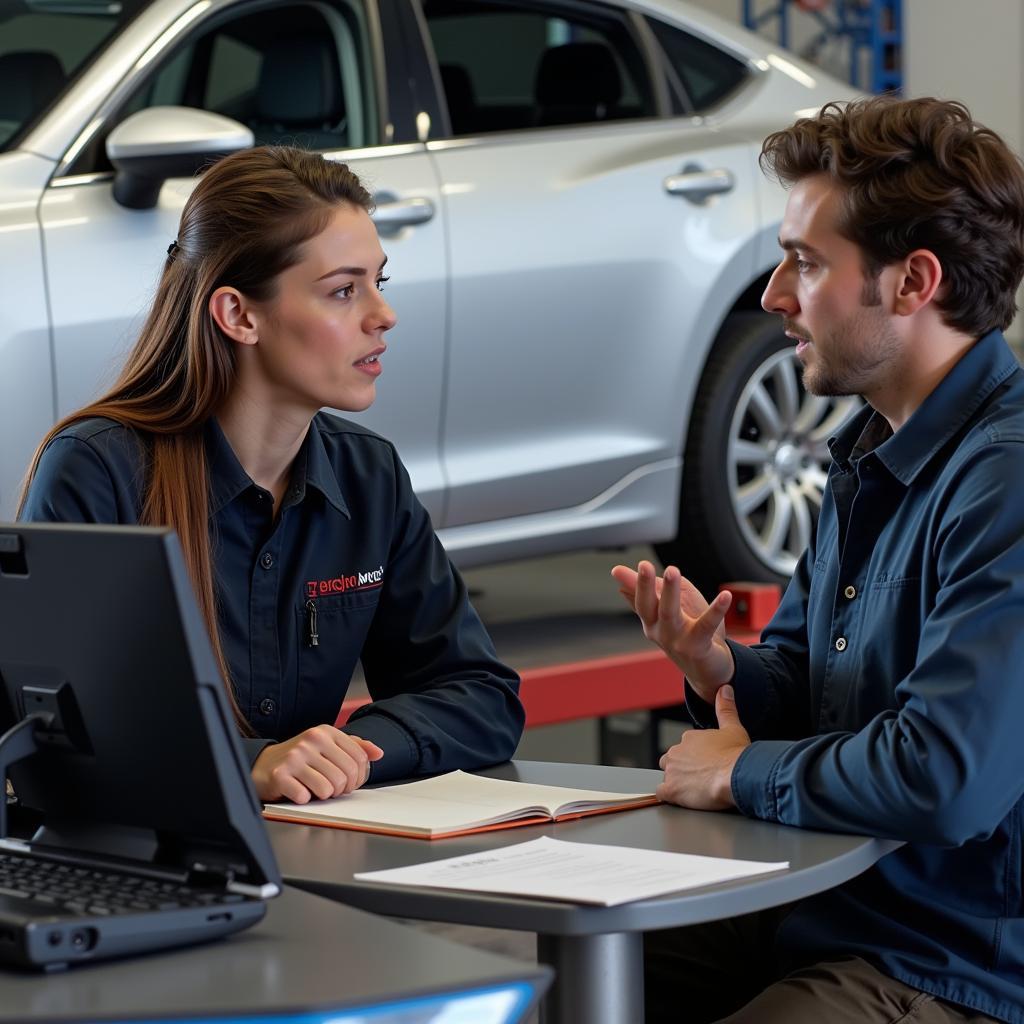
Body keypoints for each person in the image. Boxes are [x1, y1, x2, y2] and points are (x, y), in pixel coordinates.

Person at [613, 96, 1024, 1023]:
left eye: (804, 262)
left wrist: (738, 771)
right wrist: (725, 673)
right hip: (822, 909)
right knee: (570, 987)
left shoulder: (1007, 482)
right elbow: (814, 681)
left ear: (913, 282)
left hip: (952, 959)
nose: (773, 296)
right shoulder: (870, 447)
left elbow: (944, 776)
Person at [19, 145, 524, 805]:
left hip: (301, 849)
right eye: (344, 290)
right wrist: (250, 764)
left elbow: (481, 698)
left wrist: (353, 753)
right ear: (238, 315)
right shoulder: (96, 472)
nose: (383, 314)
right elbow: (53, 739)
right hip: (136, 870)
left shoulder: (369, 475)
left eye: (380, 282)